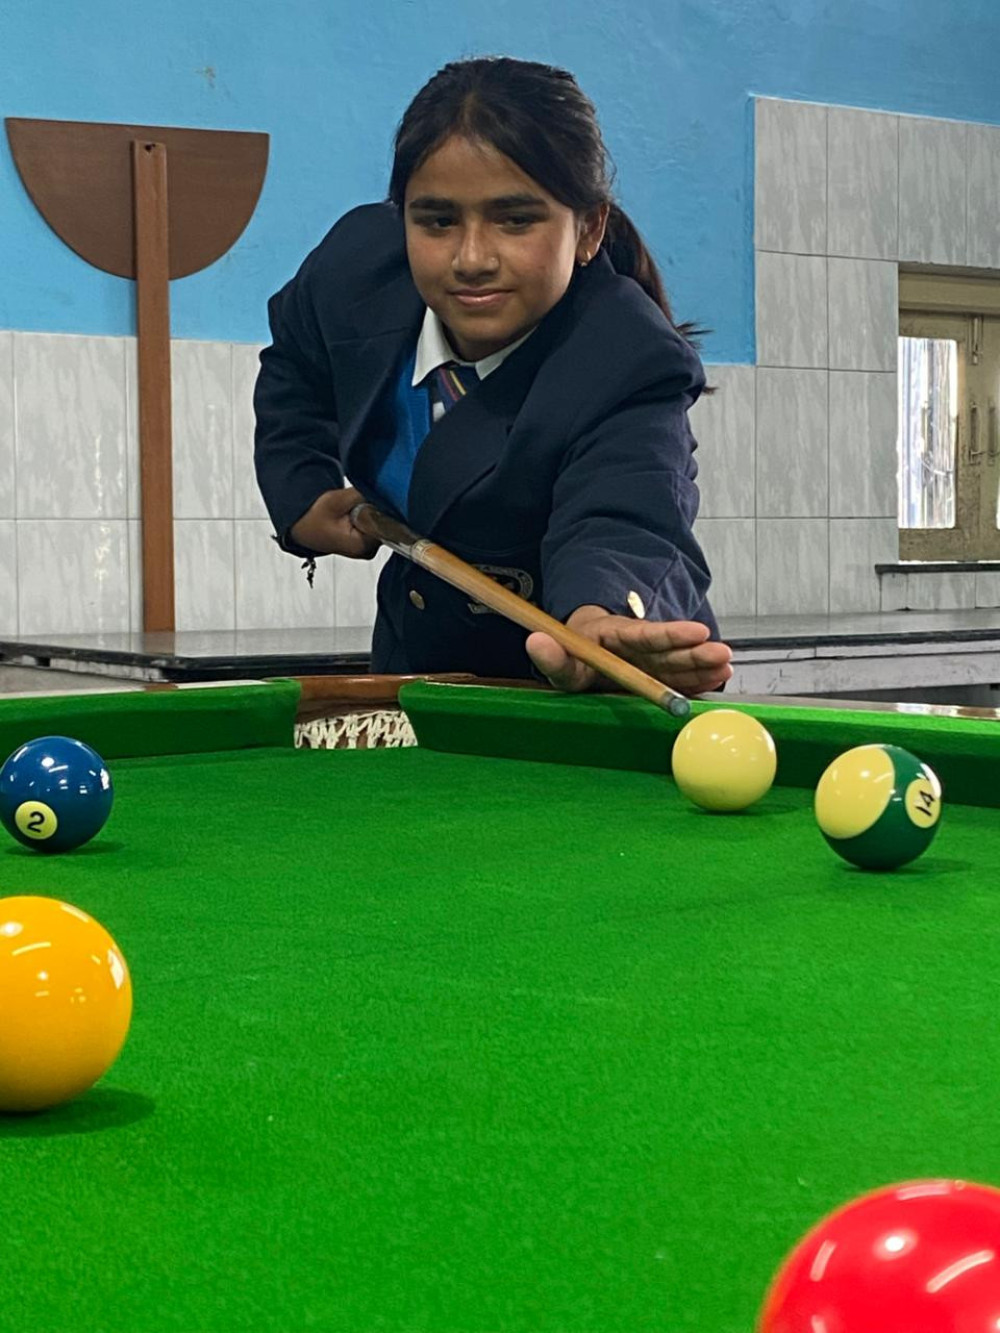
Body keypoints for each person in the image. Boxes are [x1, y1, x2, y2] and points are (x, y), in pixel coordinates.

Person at [254, 56, 732, 697]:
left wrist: (600, 614)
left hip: (582, 684)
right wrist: (302, 493)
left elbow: (624, 514)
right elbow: (295, 367)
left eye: (516, 220)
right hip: (417, 659)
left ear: (588, 228)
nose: (472, 258)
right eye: (437, 221)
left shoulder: (629, 358)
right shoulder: (355, 271)